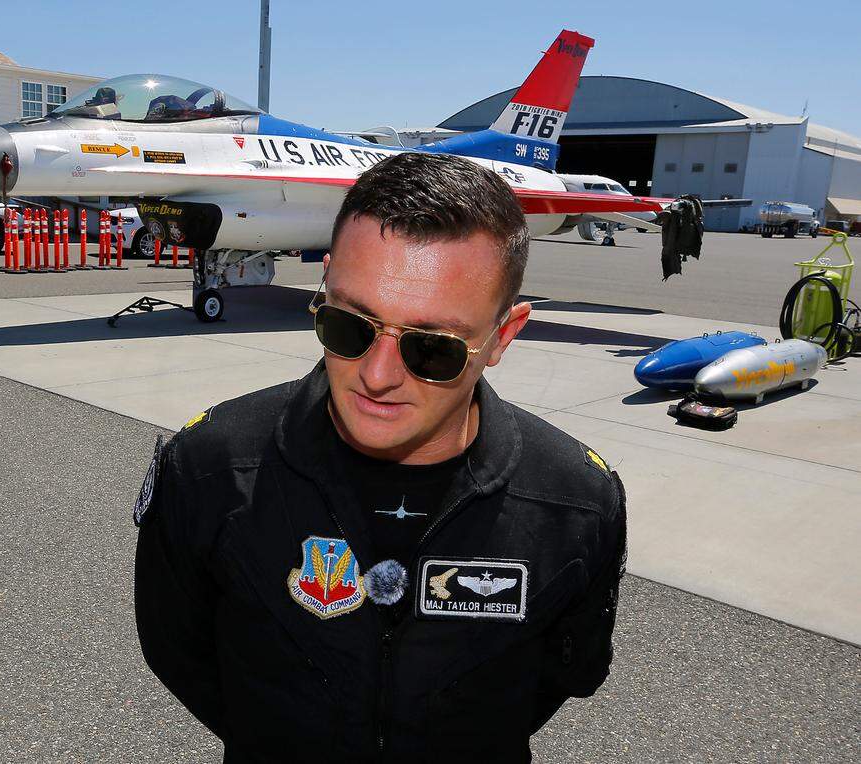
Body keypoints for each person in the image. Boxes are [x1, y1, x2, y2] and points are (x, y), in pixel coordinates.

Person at [134, 152, 627, 762]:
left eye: (432, 349)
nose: (376, 375)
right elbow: (180, 652)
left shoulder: (575, 500)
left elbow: (563, 674)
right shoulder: (211, 467)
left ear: (502, 336)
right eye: (349, 325)